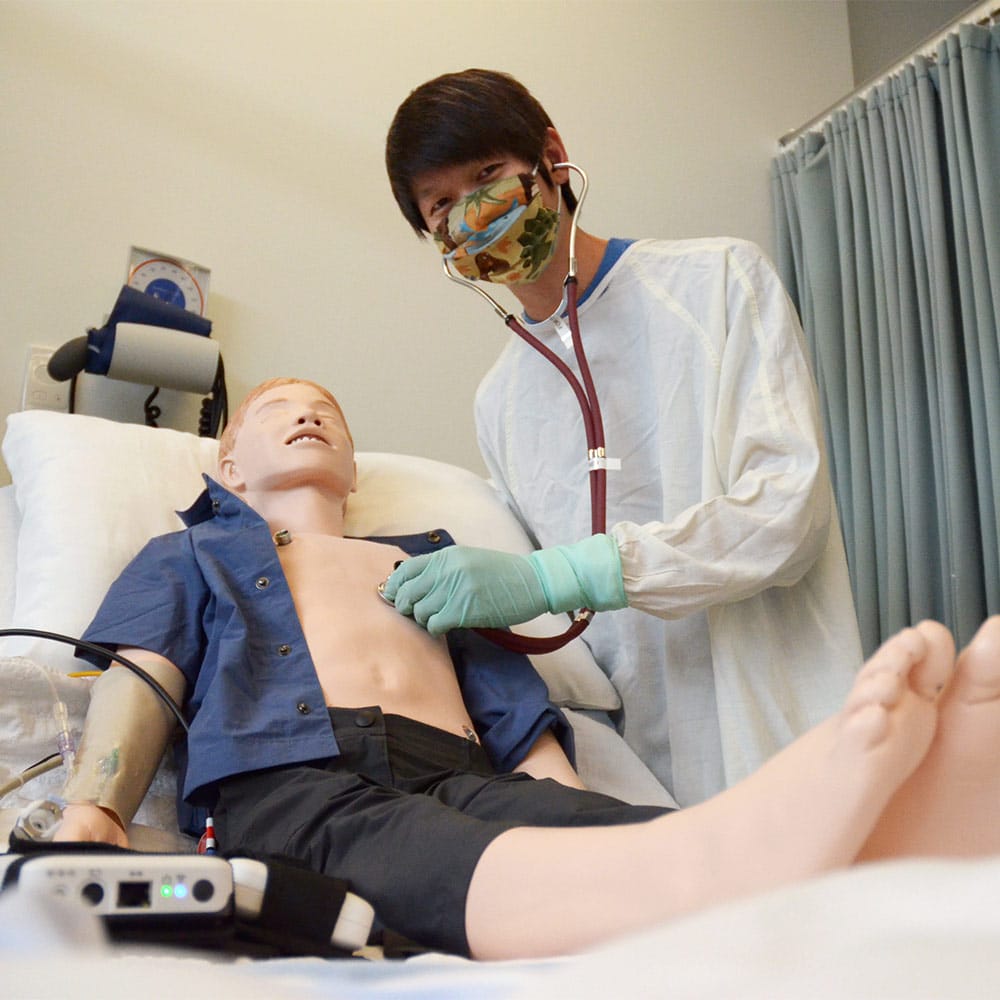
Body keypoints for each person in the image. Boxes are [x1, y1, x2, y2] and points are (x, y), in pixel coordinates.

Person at [54, 377, 1000, 961]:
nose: (308, 412)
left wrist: (562, 799)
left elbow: (511, 711)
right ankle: (744, 855)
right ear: (227, 460)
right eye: (278, 408)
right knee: (427, 857)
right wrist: (96, 811)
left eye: (328, 410)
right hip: (294, 783)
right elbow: (146, 677)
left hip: (462, 771)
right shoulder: (194, 552)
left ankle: (905, 834)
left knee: (600, 834)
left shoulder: (429, 559)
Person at [383, 69, 864, 806]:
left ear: (550, 155)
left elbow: (785, 516)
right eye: (442, 204)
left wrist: (565, 576)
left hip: (780, 720)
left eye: (488, 176)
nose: (474, 215)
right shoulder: (500, 401)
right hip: (640, 778)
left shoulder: (720, 281)